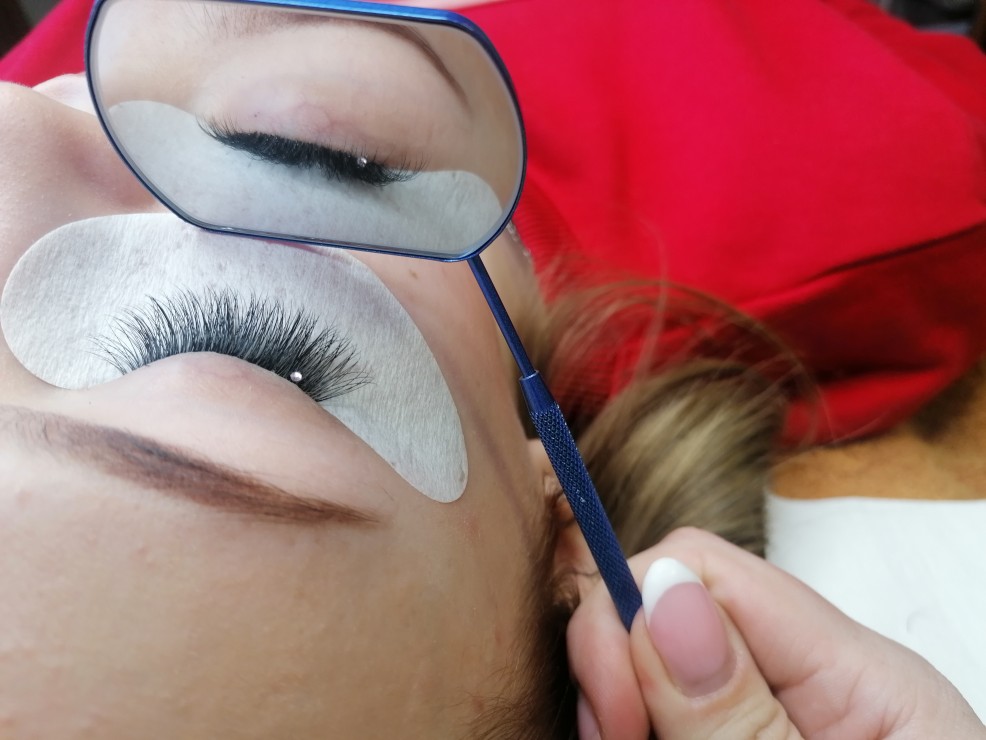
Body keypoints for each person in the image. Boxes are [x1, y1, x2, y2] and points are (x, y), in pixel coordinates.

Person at [1, 0, 985, 738]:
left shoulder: (64, 64)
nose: (13, 120)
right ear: (559, 514)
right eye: (227, 335)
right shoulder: (881, 168)